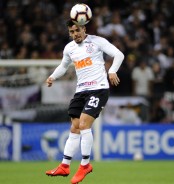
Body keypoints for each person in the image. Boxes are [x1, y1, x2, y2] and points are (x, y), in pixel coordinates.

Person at [45, 19, 124, 184]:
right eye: (72, 32)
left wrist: (112, 70)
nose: (75, 35)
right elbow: (63, 66)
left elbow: (119, 54)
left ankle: (85, 165)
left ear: (83, 28)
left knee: (83, 124)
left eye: (77, 31)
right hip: (80, 91)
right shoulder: (69, 48)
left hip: (98, 89)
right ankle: (65, 165)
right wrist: (53, 76)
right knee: (74, 127)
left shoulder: (97, 41)